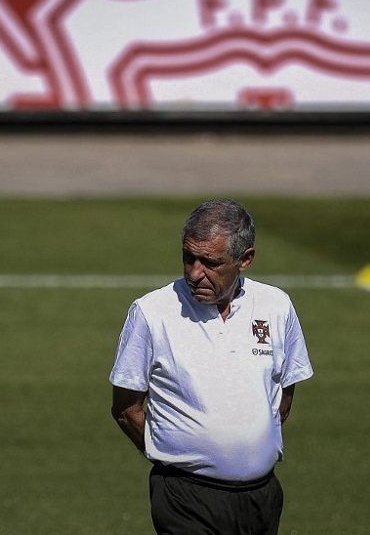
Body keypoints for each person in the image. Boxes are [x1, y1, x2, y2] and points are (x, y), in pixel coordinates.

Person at [110, 198, 314, 534]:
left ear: (244, 259)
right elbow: (125, 408)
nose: (194, 272)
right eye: (188, 257)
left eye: (210, 262)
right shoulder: (151, 312)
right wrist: (173, 454)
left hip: (260, 498)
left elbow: (284, 393)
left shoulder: (277, 306)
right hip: (184, 499)